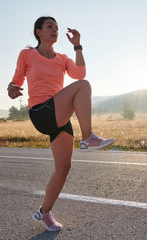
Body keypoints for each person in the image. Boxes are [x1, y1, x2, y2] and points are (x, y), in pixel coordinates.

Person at [7, 16, 114, 231]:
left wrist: (77, 46)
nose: (54, 30)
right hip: (41, 112)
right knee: (83, 86)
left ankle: (43, 213)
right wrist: (11, 87)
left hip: (58, 115)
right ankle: (88, 138)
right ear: (39, 32)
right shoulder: (27, 54)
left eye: (56, 27)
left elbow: (80, 72)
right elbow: (16, 80)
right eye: (49, 27)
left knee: (64, 168)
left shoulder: (63, 58)